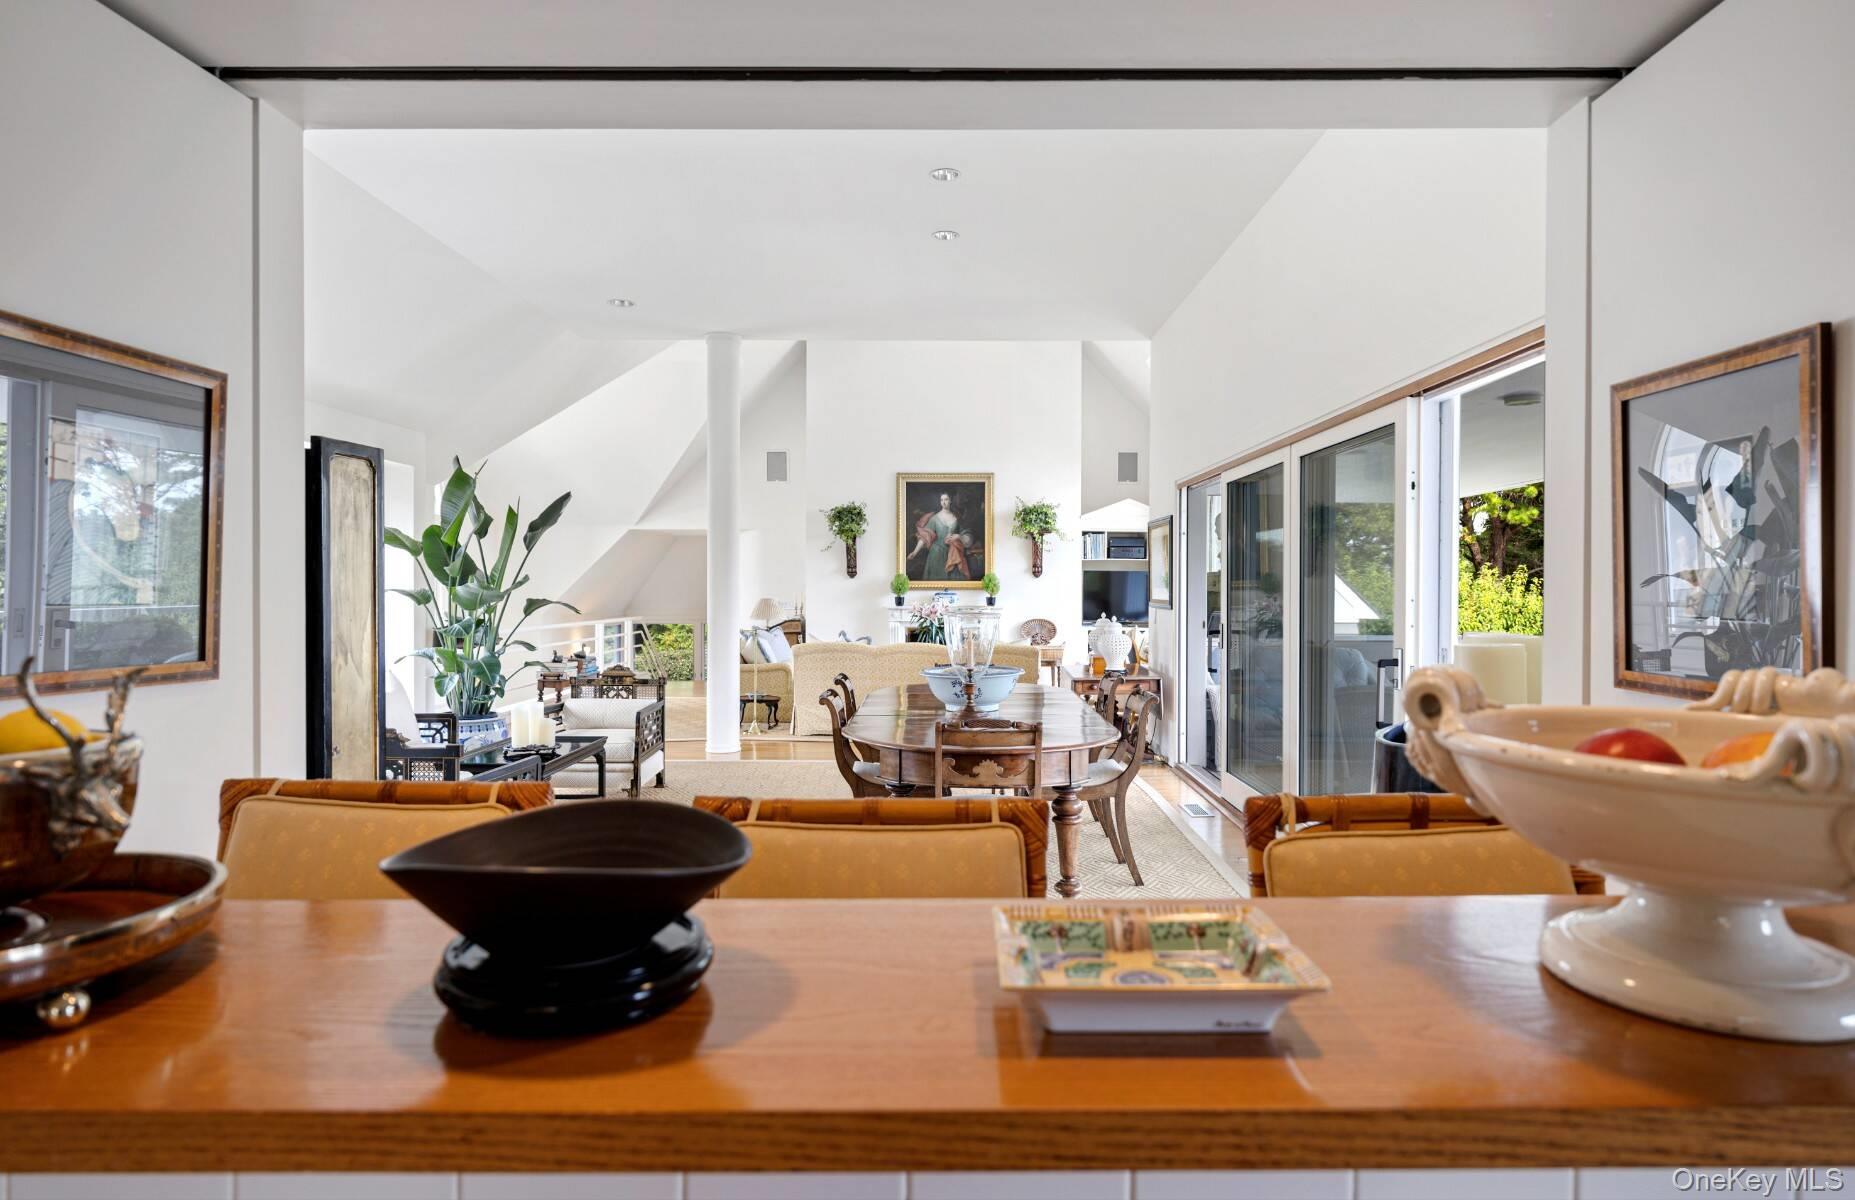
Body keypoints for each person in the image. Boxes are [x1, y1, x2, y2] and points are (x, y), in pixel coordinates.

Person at [906, 492, 976, 581]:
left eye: (946, 499)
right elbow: (924, 537)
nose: (943, 502)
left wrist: (959, 536)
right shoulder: (935, 518)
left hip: (952, 555)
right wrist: (915, 552)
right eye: (941, 500)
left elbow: (966, 535)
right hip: (936, 554)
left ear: (950, 501)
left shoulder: (957, 518)